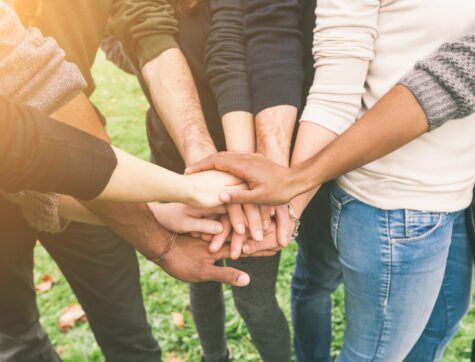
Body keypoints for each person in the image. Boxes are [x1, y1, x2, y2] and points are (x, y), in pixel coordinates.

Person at [190, 4, 475, 362]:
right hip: (395, 201)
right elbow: (331, 88)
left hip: (458, 188)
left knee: (439, 325)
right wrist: (289, 196)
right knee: (343, 316)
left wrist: (291, 188)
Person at [0, 2, 249, 362]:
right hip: (75, 160)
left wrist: (197, 158)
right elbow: (20, 130)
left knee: (130, 340)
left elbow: (147, 28)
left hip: (83, 154)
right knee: (15, 338)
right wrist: (168, 207)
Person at [103, 1, 307, 360]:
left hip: (237, 161)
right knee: (200, 280)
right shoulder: (132, 10)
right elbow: (115, 42)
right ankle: (216, 356)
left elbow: (233, 56)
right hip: (171, 162)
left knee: (254, 298)